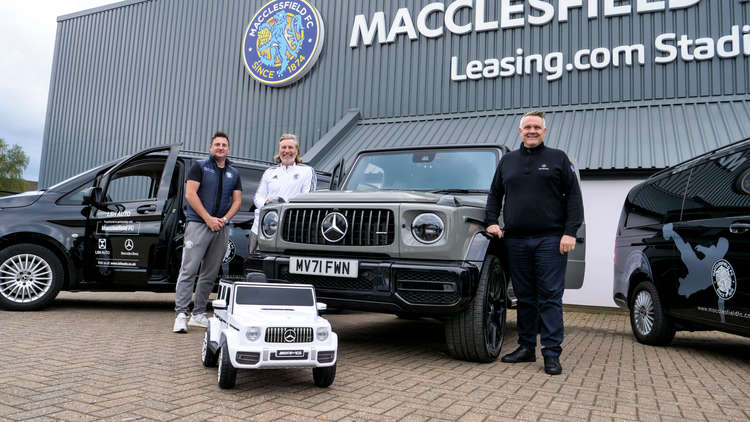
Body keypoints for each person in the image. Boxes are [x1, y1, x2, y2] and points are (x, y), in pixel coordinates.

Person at [484, 111, 584, 375]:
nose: (531, 130)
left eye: (536, 127)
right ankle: (526, 348)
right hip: (516, 240)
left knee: (550, 297)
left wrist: (570, 232)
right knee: (525, 298)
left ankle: (551, 353)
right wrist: (491, 221)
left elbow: (573, 197)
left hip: (550, 240)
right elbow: (495, 194)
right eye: (527, 126)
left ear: (544, 131)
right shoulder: (507, 161)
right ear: (520, 131)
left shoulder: (558, 158)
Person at [173, 131, 242, 333]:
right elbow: (190, 194)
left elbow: (237, 200)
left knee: (210, 273)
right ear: (211, 147)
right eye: (217, 144)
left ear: (228, 149)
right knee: (189, 269)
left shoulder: (234, 173)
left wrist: (225, 219)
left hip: (221, 227)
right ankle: (180, 314)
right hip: (198, 224)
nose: (220, 147)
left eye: (224, 145)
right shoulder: (200, 167)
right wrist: (208, 218)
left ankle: (199, 314)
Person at [249, 133, 316, 252]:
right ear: (279, 150)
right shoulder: (269, 172)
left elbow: (308, 198)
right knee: (255, 264)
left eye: (290, 147)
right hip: (261, 228)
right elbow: (258, 197)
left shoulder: (307, 171)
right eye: (283, 147)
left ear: (297, 150)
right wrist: (266, 203)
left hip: (290, 230)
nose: (287, 151)